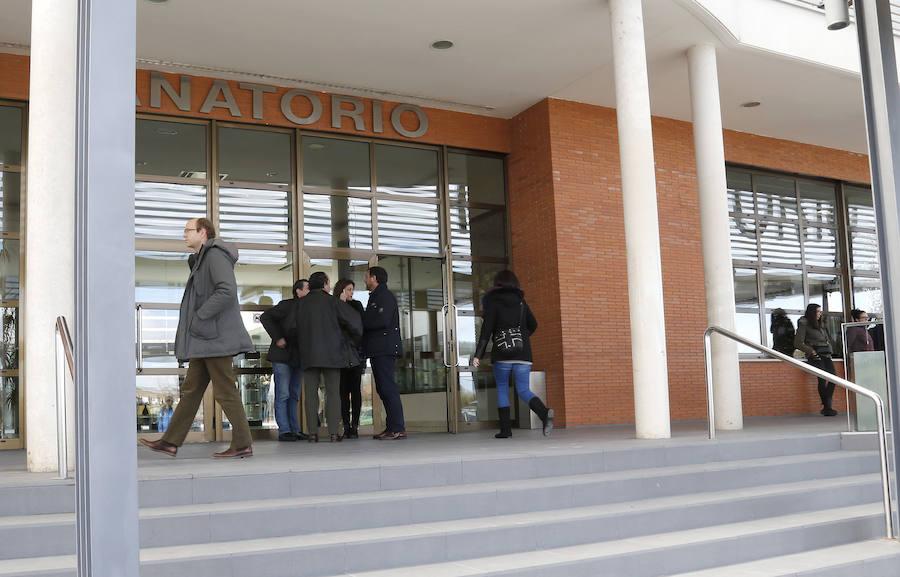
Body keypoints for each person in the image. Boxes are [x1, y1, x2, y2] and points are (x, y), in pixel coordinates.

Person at [140, 217, 254, 458]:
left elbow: (227, 290)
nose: (184, 235)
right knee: (191, 391)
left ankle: (243, 443)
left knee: (225, 391)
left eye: (188, 230)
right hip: (206, 339)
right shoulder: (201, 260)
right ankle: (170, 441)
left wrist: (200, 316)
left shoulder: (214, 255)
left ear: (203, 233)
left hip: (215, 338)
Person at [473, 270, 554, 437]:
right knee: (524, 389)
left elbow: (486, 331)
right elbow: (534, 324)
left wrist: (478, 355)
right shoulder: (521, 303)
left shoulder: (493, 303)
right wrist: (521, 338)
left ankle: (506, 430)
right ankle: (544, 413)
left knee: (502, 389)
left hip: (502, 354)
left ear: (497, 284)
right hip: (523, 354)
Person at [288, 272, 362, 443]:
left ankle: (312, 433)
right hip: (333, 354)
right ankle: (334, 433)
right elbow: (355, 323)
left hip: (309, 354)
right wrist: (350, 342)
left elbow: (291, 328)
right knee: (333, 393)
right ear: (325, 284)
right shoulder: (333, 302)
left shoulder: (301, 304)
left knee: (310, 394)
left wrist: (301, 343)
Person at [260, 279, 310, 441]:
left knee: (294, 394)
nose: (310, 291)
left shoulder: (310, 308)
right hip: (282, 356)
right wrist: (278, 337)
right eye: (307, 288)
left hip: (299, 357)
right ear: (298, 291)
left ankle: (294, 430)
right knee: (283, 394)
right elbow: (265, 317)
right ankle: (284, 431)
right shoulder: (287, 305)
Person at [363, 266, 406, 440]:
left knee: (388, 388)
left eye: (366, 277)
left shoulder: (385, 296)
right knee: (383, 388)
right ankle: (392, 427)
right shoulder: (376, 296)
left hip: (385, 348)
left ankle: (397, 428)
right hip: (378, 348)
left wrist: (362, 319)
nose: (365, 280)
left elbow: (382, 320)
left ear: (374, 278)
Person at [334, 278, 365, 439]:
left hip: (355, 355)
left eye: (352, 289)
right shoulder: (334, 305)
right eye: (348, 289)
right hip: (339, 356)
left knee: (356, 392)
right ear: (341, 291)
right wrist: (340, 304)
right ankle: (346, 426)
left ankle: (355, 426)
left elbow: (359, 327)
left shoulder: (357, 305)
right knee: (343, 393)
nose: (351, 292)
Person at [794, 303, 838, 417]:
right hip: (816, 354)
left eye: (820, 311)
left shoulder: (821, 324)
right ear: (812, 313)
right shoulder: (804, 324)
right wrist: (811, 351)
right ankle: (827, 407)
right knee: (822, 380)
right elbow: (797, 343)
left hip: (826, 353)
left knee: (833, 378)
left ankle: (826, 403)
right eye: (818, 312)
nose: (820, 314)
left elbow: (827, 340)